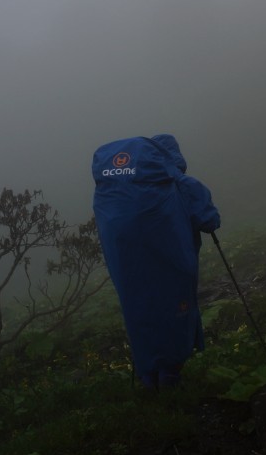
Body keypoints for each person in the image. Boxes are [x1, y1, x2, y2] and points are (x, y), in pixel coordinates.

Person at [91, 134, 220, 390]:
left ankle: (149, 378)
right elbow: (210, 221)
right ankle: (171, 379)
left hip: (127, 268)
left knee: (140, 313)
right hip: (173, 263)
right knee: (174, 309)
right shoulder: (182, 184)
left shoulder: (110, 192)